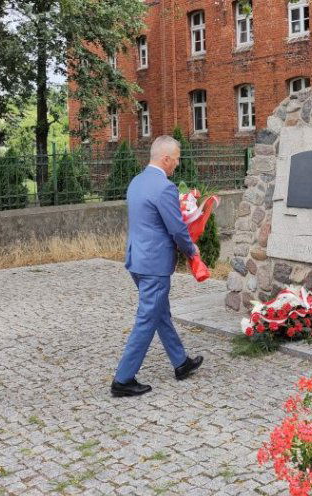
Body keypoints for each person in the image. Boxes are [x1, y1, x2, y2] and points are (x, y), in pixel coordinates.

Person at [111, 135, 204, 397]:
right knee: (147, 319)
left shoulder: (136, 182)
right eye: (175, 159)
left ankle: (180, 362)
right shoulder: (164, 187)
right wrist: (191, 249)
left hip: (137, 260)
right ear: (165, 159)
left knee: (159, 311)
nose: (177, 164)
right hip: (154, 263)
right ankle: (123, 379)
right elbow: (176, 227)